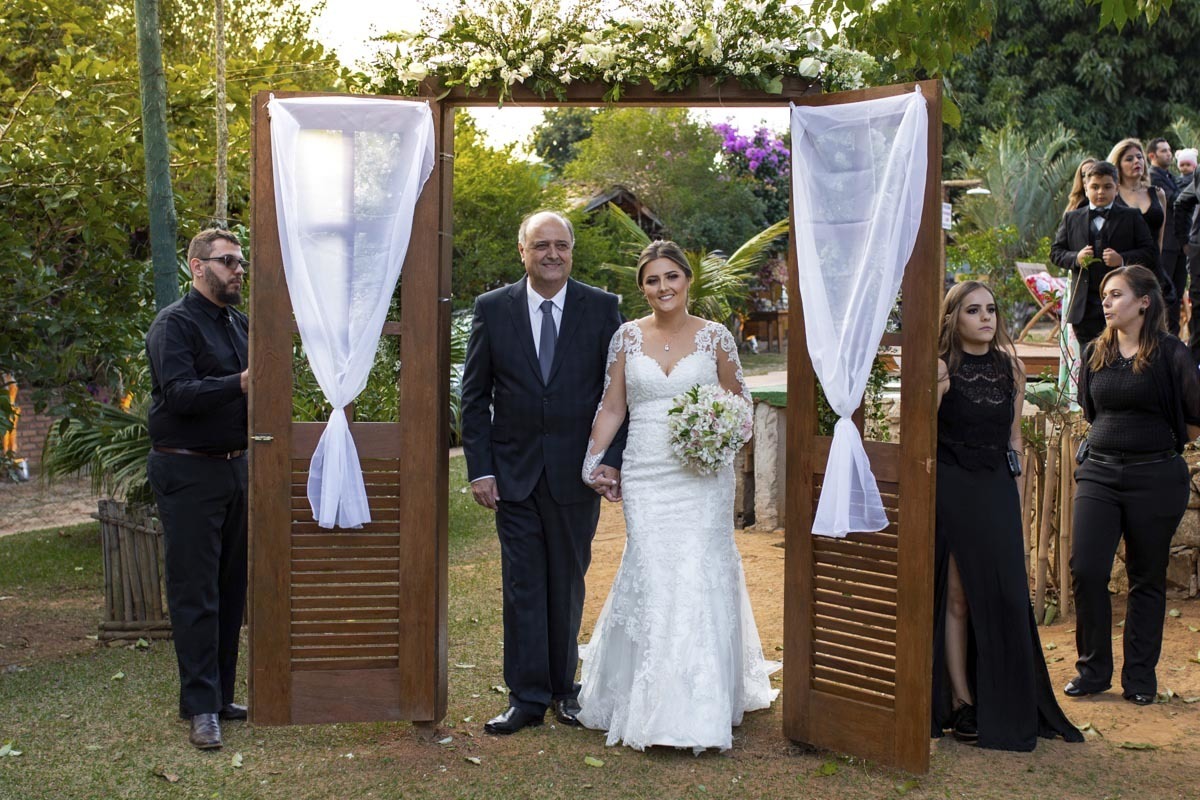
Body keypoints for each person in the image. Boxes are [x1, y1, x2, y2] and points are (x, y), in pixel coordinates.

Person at [574, 241, 779, 753]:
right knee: (653, 569)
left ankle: (698, 707)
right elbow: (613, 406)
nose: (663, 287)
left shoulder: (715, 337)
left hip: (702, 476)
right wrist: (592, 460)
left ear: (687, 280)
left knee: (697, 570)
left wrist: (718, 435)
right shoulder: (626, 337)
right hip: (646, 472)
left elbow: (741, 404)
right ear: (642, 288)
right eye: (652, 280)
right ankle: (649, 698)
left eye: (671, 277)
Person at [461, 210, 626, 735]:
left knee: (567, 583)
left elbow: (621, 393)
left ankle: (564, 690)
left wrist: (611, 459)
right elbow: (474, 397)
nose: (552, 254)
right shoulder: (492, 308)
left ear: (571, 251)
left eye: (561, 245)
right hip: (513, 475)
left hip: (578, 474)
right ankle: (526, 697)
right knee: (523, 585)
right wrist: (481, 469)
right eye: (541, 245)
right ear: (523, 251)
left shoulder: (602, 308)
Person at [931, 281, 1083, 751]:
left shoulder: (1011, 367)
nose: (986, 318)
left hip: (997, 486)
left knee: (1006, 593)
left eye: (991, 309)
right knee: (958, 595)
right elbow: (923, 433)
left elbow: (1014, 437)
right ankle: (962, 702)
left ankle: (1007, 699)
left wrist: (1014, 497)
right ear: (953, 318)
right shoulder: (942, 368)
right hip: (953, 488)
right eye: (973, 310)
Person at [1066, 265, 1200, 706]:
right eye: (1104, 295)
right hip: (1100, 473)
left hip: (1155, 476)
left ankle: (1140, 678)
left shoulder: (1171, 353)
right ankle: (1092, 671)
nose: (1106, 302)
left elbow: (1193, 420)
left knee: (1146, 577)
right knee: (1087, 570)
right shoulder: (1094, 352)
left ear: (1144, 302)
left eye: (1116, 294)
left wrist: (1151, 444)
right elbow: (1092, 412)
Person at [145, 229, 250, 750]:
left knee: (231, 589)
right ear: (197, 266)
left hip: (235, 467)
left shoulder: (239, 323)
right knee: (196, 591)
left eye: (240, 262)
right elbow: (179, 394)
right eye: (227, 261)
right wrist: (240, 383)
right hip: (186, 470)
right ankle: (200, 706)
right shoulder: (175, 324)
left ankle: (222, 696)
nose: (238, 270)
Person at [1051, 160, 1158, 346]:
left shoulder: (1131, 216)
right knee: (1089, 356)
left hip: (1122, 304)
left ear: (1116, 188)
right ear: (1086, 188)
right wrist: (1076, 258)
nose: (1101, 192)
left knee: (1120, 352)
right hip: (1084, 306)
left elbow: (1150, 252)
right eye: (1095, 187)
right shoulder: (1072, 218)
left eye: (1107, 187)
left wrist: (1122, 259)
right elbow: (1055, 252)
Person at [1147, 138, 1186, 333]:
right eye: (1163, 151)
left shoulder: (1172, 177)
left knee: (1177, 295)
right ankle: (1161, 335)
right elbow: (1175, 200)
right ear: (1152, 155)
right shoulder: (1153, 177)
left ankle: (1174, 338)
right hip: (1166, 243)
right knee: (1164, 293)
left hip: (1179, 243)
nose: (1169, 154)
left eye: (1169, 150)